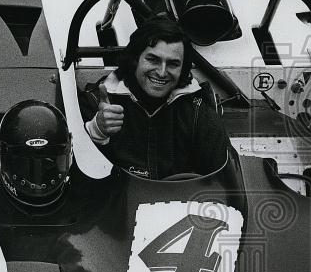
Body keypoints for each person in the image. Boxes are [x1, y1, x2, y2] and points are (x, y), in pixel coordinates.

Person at [84, 16, 230, 180]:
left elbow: (225, 180)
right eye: (153, 60)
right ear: (134, 59)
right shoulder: (95, 102)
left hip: (178, 203)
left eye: (173, 64)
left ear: (183, 69)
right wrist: (97, 131)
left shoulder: (198, 112)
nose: (161, 72)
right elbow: (79, 183)